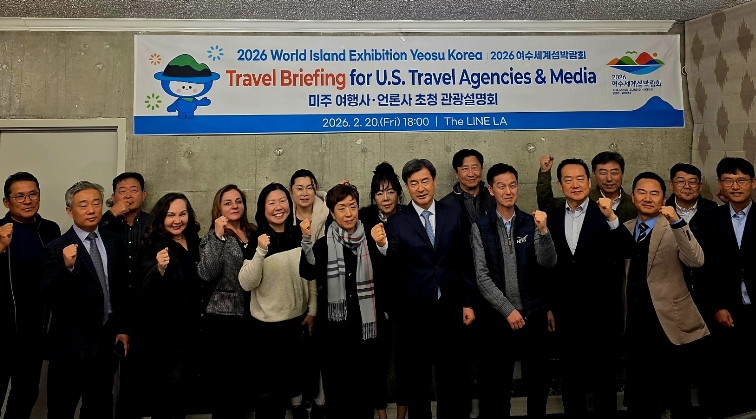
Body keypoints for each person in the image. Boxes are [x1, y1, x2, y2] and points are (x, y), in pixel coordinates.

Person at [374, 158, 475, 419]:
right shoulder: (397, 222)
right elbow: (393, 267)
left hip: (450, 310)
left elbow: (464, 261)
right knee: (417, 381)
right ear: (407, 187)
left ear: (434, 181)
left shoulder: (452, 213)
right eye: (414, 183)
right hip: (414, 315)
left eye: (425, 181)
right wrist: (383, 247)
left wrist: (467, 303)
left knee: (450, 378)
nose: (420, 188)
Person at [609, 172, 708, 418]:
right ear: (633, 197)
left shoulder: (674, 226)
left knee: (677, 393)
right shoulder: (625, 228)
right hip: (634, 324)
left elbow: (696, 260)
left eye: (654, 193)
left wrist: (677, 222)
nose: (647, 198)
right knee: (640, 395)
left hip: (668, 322)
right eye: (641, 192)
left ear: (664, 198)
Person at [471, 163, 557, 419]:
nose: (508, 191)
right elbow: (481, 276)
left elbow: (548, 263)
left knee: (537, 384)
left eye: (512, 185)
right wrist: (508, 310)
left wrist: (544, 231)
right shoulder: (480, 226)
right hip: (498, 320)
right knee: (497, 389)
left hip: (533, 315)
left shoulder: (532, 223)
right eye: (501, 186)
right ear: (491, 190)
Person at [40, 181, 129, 419]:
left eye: (96, 203)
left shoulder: (113, 240)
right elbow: (47, 296)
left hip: (105, 343)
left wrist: (122, 328)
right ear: (70, 211)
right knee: (61, 409)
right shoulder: (56, 248)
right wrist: (66, 268)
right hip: (69, 347)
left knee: (99, 407)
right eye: (83, 205)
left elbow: (119, 287)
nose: (91, 210)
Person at [299, 183, 386, 419]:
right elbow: (308, 272)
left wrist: (382, 246)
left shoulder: (371, 239)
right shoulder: (323, 244)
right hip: (334, 333)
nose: (348, 213)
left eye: (352, 206)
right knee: (337, 396)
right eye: (341, 208)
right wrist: (305, 239)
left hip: (365, 330)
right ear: (332, 213)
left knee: (363, 395)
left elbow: (387, 272)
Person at [544, 159, 622, 418]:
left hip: (602, 309)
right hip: (566, 311)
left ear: (590, 182)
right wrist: (549, 307)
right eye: (568, 180)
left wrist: (612, 218)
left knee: (604, 375)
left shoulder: (605, 213)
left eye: (580, 179)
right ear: (560, 185)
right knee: (570, 375)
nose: (575, 184)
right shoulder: (552, 218)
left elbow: (625, 250)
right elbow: (548, 268)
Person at [238, 183, 317, 419]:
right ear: (263, 209)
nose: (278, 207)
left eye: (282, 201)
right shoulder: (256, 239)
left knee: (293, 389)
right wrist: (260, 251)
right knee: (269, 396)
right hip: (266, 329)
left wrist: (312, 309)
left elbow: (310, 273)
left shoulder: (299, 234)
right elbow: (246, 283)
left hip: (296, 324)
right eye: (271, 203)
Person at [0, 172, 61, 419]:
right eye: (20, 196)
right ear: (7, 202)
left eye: (32, 194)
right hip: (2, 331)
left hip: (34, 331)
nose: (27, 200)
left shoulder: (49, 229)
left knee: (25, 395)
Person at [699, 157, 756, 417]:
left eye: (742, 180)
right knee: (726, 366)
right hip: (726, 307)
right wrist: (717, 305)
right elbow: (705, 268)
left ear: (753, 183)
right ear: (720, 184)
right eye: (729, 180)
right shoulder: (710, 218)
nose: (736, 186)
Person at [138, 192, 203, 419]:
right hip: (166, 339)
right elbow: (145, 290)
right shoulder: (152, 246)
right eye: (170, 215)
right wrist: (160, 270)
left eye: (182, 214)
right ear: (160, 217)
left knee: (185, 396)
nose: (177, 220)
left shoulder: (195, 241)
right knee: (166, 399)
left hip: (194, 331)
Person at [197, 185, 257, 419]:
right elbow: (206, 273)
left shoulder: (254, 233)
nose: (234, 206)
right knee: (224, 387)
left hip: (253, 316)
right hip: (223, 320)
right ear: (218, 208)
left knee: (244, 386)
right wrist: (218, 237)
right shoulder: (212, 237)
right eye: (228, 202)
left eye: (238, 201)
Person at [98, 172, 150, 419]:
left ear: (144, 195)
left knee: (136, 382)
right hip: (111, 313)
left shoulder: (154, 223)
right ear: (113, 196)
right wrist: (110, 215)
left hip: (143, 313)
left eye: (134, 189)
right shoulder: (103, 224)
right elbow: (87, 237)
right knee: (101, 382)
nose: (128, 195)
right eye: (122, 190)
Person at [358, 162, 408, 419]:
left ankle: (401, 415)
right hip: (374, 300)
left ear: (398, 193)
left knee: (405, 362)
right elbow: (335, 213)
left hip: (406, 299)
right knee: (376, 362)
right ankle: (382, 415)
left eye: (390, 191)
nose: (385, 198)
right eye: (379, 193)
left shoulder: (409, 217)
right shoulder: (365, 218)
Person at [665, 163, 717, 304]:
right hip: (671, 287)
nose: (687, 186)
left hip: (706, 286)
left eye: (692, 182)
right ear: (671, 185)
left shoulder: (713, 210)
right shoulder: (662, 211)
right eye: (681, 182)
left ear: (700, 186)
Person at [537, 152, 637, 222]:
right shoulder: (582, 199)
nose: (609, 178)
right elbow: (547, 204)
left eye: (614, 173)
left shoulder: (635, 203)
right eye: (603, 173)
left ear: (622, 174)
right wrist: (544, 173)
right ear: (594, 176)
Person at [440, 149, 496, 233]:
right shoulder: (444, 206)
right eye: (465, 169)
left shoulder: (495, 198)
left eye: (474, 168)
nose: (471, 174)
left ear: (481, 169)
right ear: (456, 174)